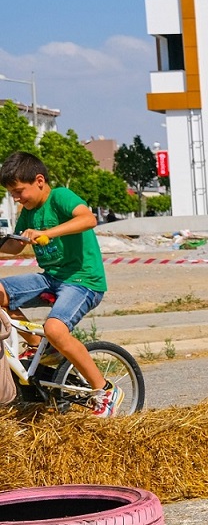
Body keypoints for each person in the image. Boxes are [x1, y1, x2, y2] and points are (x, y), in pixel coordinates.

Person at [0, 153, 121, 417]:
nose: (16, 199)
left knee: (54, 328)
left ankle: (105, 390)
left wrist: (47, 233)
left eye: (19, 192)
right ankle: (37, 347)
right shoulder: (28, 212)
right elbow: (16, 244)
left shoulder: (61, 197)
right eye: (12, 194)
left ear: (39, 181)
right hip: (51, 278)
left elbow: (88, 219)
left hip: (83, 281)